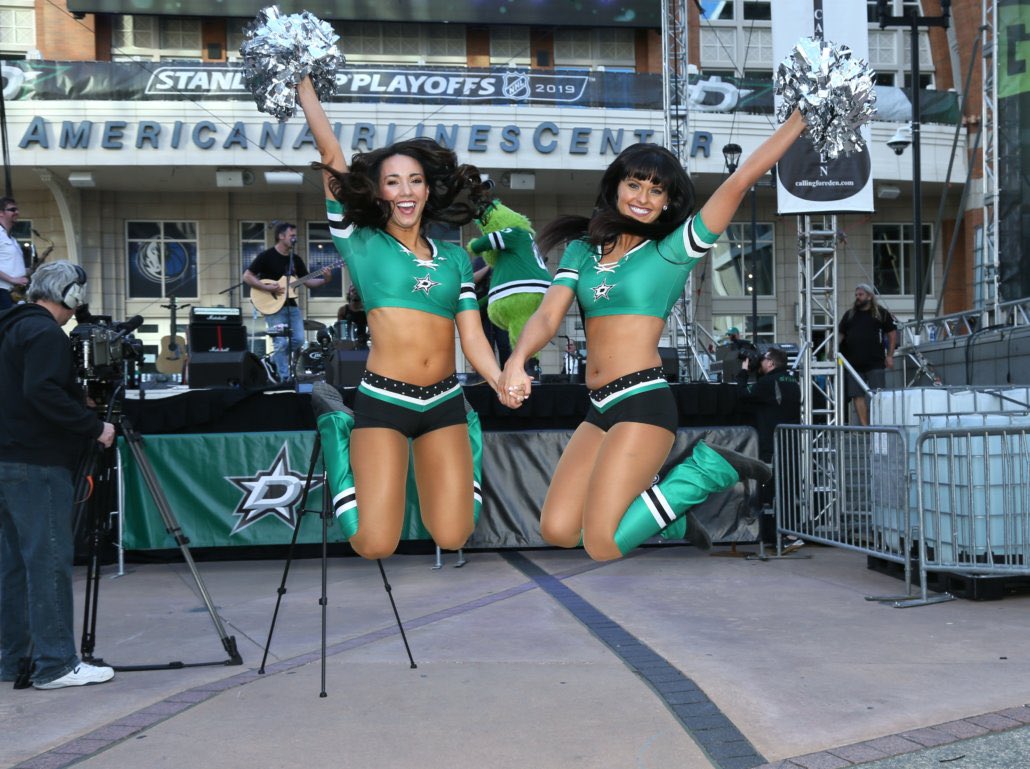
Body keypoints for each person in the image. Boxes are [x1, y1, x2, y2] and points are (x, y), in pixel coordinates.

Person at [498, 111, 806, 561]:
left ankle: (706, 469)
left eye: (656, 189)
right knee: (560, 529)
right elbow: (548, 315)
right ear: (616, 187)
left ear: (667, 200)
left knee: (601, 545)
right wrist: (516, 358)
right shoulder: (583, 250)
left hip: (643, 402)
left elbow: (739, 182)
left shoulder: (672, 249)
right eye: (635, 184)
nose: (643, 197)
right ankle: (671, 514)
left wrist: (798, 121)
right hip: (599, 406)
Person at [297, 75, 523, 559]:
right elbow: (330, 152)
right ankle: (337, 424)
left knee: (454, 534)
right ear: (379, 192)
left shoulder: (454, 258)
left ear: (426, 190)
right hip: (385, 401)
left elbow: (473, 337)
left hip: (445, 401)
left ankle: (470, 425)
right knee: (374, 543)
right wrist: (304, 88)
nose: (405, 190)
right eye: (393, 181)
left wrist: (501, 378)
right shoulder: (360, 241)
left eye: (415, 180)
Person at [0, 261, 116, 689]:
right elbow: (41, 390)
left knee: (13, 565)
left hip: (6, 459)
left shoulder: (11, 326)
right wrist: (95, 426)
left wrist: (72, 398)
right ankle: (55, 664)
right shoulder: (46, 333)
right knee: (47, 561)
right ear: (69, 294)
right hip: (37, 464)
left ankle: (12, 659)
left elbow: (28, 388)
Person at [242, 221, 330, 381]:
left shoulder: (295, 259)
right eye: (292, 235)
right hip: (273, 306)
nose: (294, 239)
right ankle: (284, 378)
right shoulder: (266, 256)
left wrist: (325, 280)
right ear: (281, 236)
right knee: (281, 343)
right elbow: (247, 276)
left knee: (299, 339)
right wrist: (266, 288)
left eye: (295, 236)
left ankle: (272, 360)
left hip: (291, 305)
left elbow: (308, 282)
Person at [838, 283, 897, 426]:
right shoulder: (849, 315)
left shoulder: (880, 313)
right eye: (856, 295)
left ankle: (878, 424)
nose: (857, 297)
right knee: (857, 396)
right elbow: (840, 334)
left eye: (861, 295)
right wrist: (832, 350)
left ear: (869, 296)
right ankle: (865, 427)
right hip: (853, 363)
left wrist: (890, 355)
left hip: (875, 361)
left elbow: (892, 334)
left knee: (878, 395)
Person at [734, 346, 802, 464]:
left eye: (762, 360)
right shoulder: (792, 380)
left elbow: (742, 394)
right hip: (791, 441)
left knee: (771, 476)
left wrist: (744, 372)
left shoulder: (768, 383)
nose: (759, 362)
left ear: (770, 363)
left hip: (771, 443)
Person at [0, 197, 29, 310]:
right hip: (3, 291)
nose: (17, 212)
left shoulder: (11, 239)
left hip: (15, 293)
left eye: (17, 209)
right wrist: (12, 280)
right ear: (1, 213)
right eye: (12, 209)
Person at [336, 284, 369, 348]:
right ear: (349, 294)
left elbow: (372, 327)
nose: (355, 292)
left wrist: (366, 335)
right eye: (353, 291)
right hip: (347, 344)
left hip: (362, 343)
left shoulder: (366, 309)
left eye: (357, 291)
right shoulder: (343, 310)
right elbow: (340, 328)